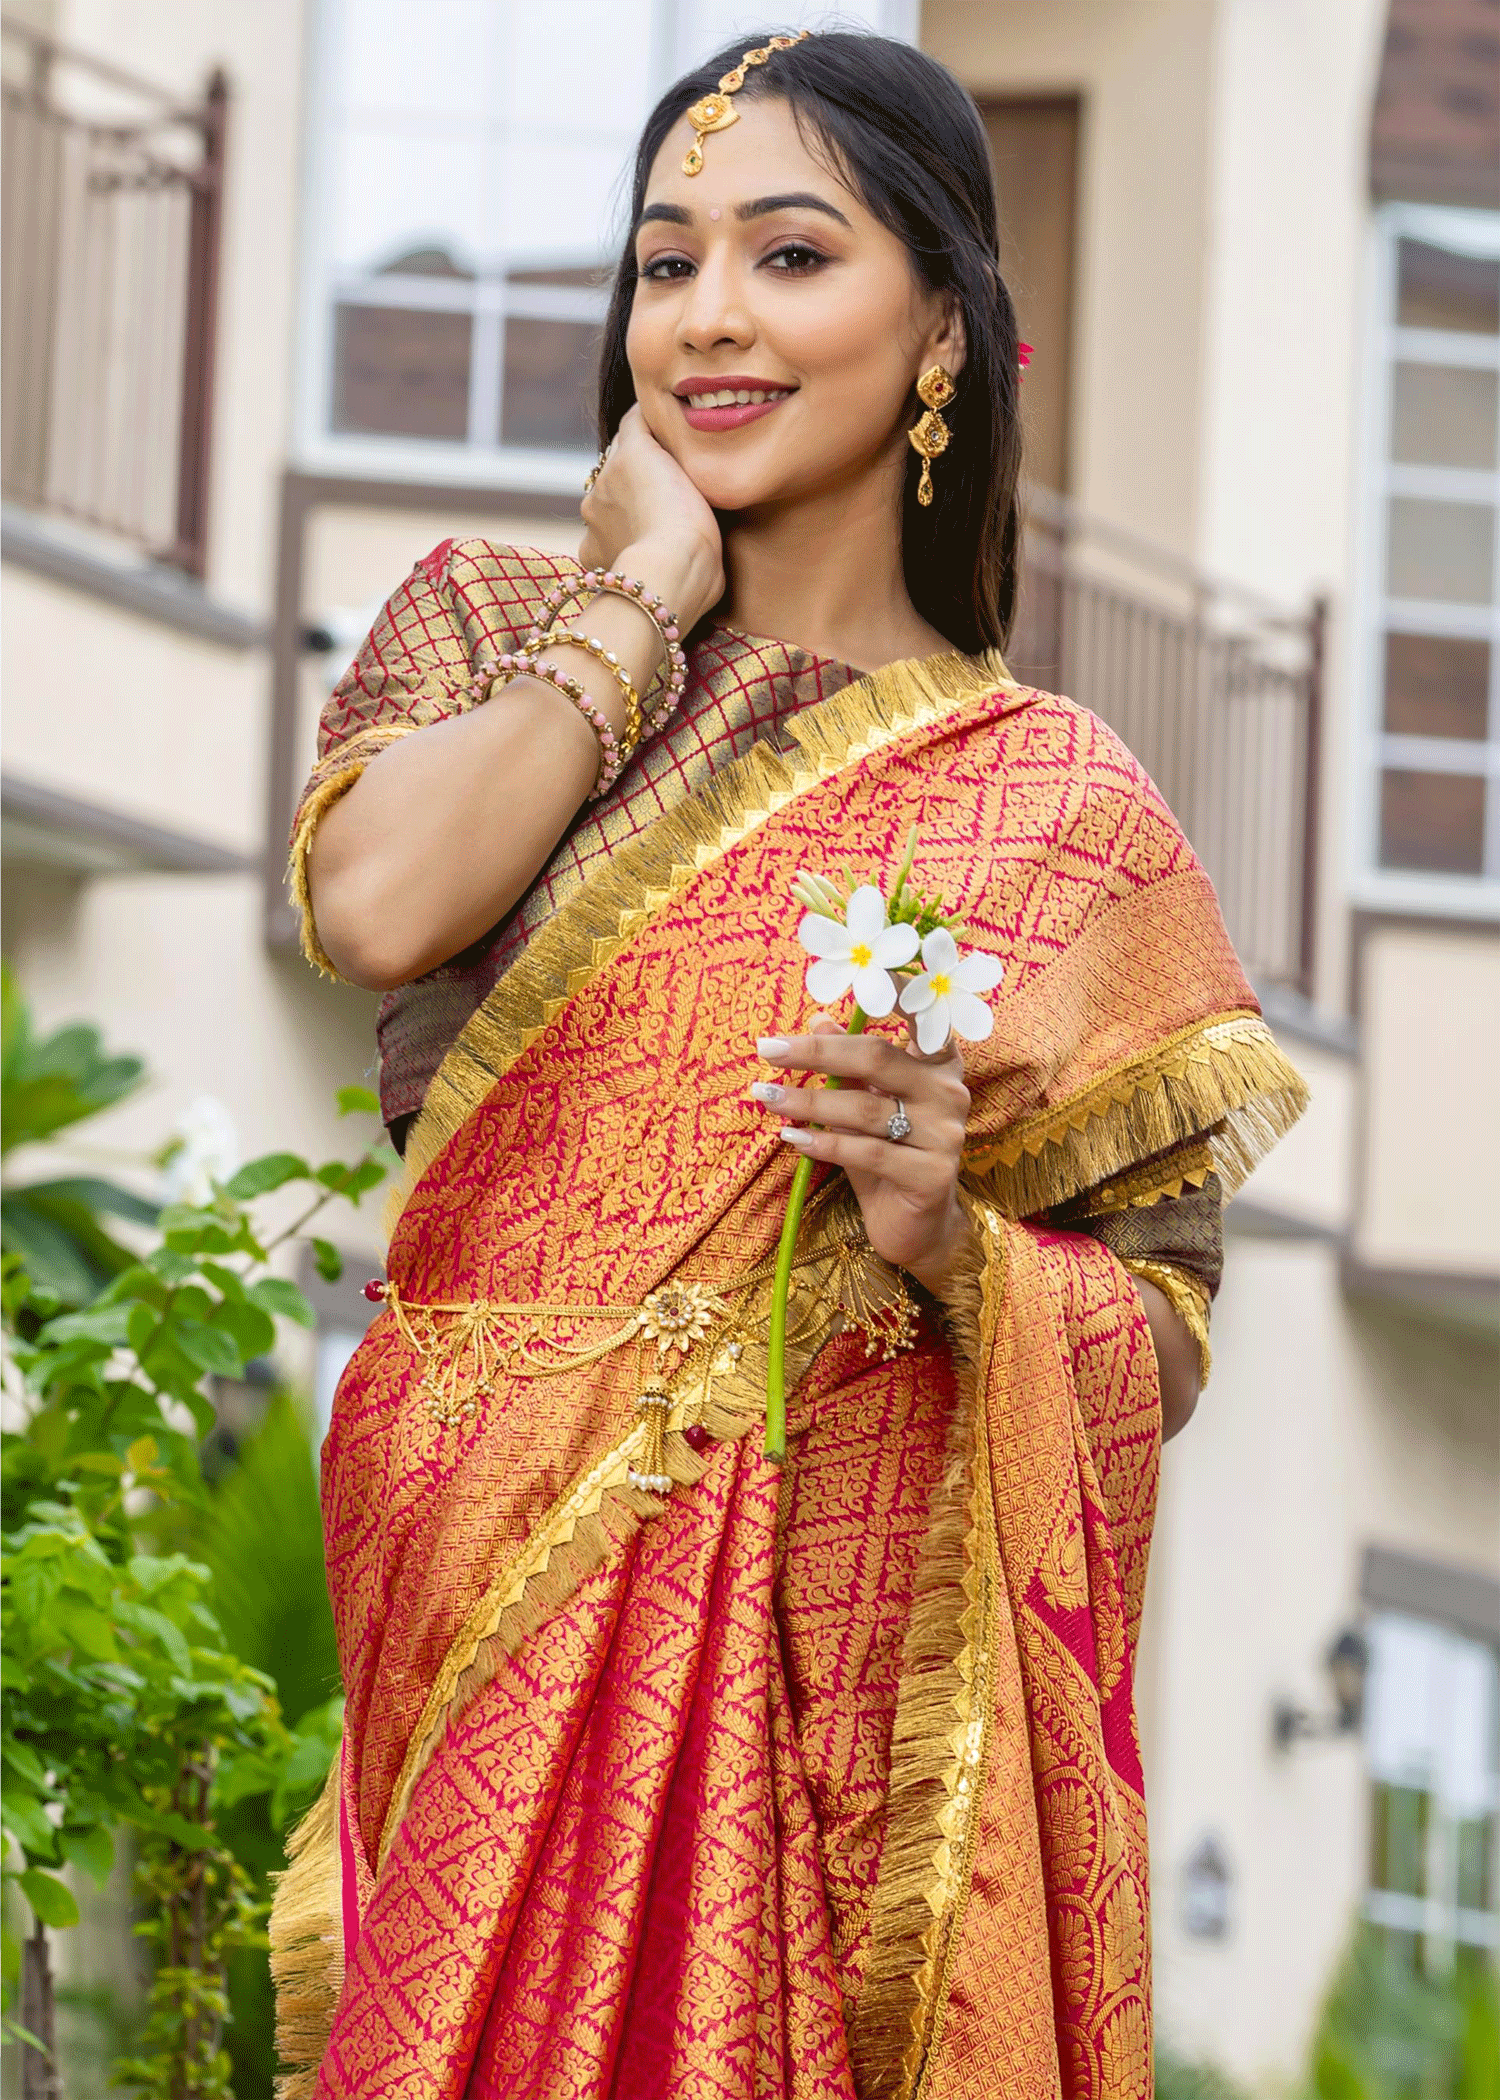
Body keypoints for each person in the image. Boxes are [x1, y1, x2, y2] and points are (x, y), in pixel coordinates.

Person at [274, 29, 1305, 2099]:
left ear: (946, 329)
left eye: (792, 255)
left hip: (807, 1693)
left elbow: (1165, 1338)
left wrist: (947, 1243)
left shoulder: (1057, 813)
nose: (710, 317)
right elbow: (377, 905)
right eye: (666, 264)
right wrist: (641, 596)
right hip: (470, 1567)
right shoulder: (492, 623)